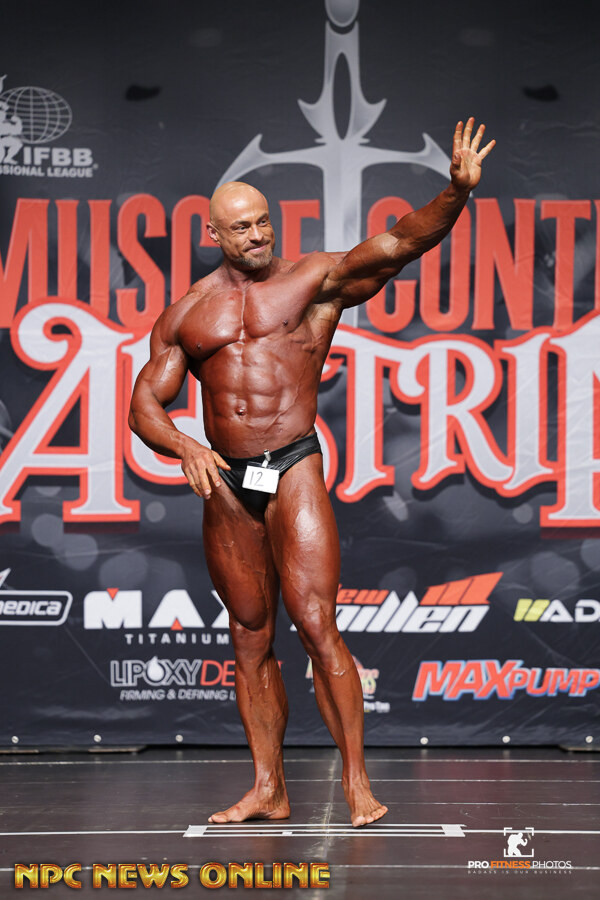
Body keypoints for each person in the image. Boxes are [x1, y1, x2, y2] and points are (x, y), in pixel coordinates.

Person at [129, 118, 495, 827]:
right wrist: (183, 446)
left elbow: (400, 242)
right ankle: (269, 788)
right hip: (227, 481)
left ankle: (356, 782)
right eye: (242, 227)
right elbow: (144, 405)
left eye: (264, 221)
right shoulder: (186, 315)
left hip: (293, 462)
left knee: (317, 623)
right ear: (214, 234)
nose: (257, 235)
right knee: (248, 634)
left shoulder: (313, 281)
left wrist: (455, 193)